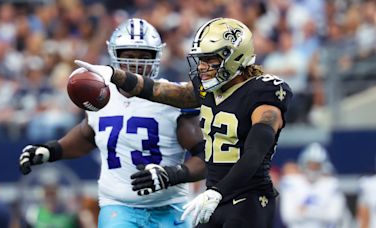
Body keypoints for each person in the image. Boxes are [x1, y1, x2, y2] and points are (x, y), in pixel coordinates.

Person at [75, 17, 293, 227]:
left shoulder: (265, 91)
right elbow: (158, 90)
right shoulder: (209, 89)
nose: (202, 67)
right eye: (201, 60)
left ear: (234, 57)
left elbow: (255, 152)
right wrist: (115, 75)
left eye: (210, 60)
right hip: (213, 197)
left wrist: (218, 191)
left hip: (248, 198)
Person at [19, 18, 206, 228]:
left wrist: (172, 175)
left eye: (144, 56)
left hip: (170, 206)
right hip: (119, 207)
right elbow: (86, 135)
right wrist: (51, 150)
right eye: (130, 56)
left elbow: (205, 156)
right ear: (115, 56)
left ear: (157, 58)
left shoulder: (173, 98)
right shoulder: (102, 95)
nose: (136, 64)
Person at [279, 143, 348, 228]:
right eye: (310, 165)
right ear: (304, 163)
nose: (313, 169)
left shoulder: (332, 184)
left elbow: (335, 215)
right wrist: (321, 210)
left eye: (316, 166)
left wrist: (304, 211)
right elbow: (288, 216)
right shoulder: (291, 182)